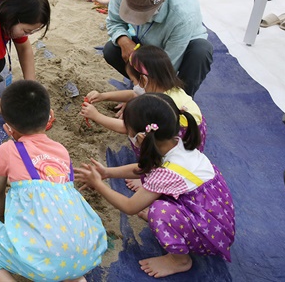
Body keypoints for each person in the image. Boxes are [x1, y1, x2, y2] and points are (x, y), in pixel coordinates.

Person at [0, 80, 107, 282]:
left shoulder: (8, 150)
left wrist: (0, 215)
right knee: (62, 252)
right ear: (50, 117)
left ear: (8, 129)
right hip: (87, 251)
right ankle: (75, 277)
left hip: (43, 261)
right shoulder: (61, 150)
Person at [75, 93, 235, 278]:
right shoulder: (176, 143)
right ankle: (181, 222)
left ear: (141, 138)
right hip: (211, 212)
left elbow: (130, 207)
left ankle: (180, 260)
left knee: (159, 211)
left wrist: (98, 184)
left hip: (210, 234)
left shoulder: (169, 171)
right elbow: (145, 168)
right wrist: (107, 173)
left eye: (129, 133)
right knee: (153, 200)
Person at [82, 45, 207, 190]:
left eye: (134, 81)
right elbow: (134, 94)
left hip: (178, 141)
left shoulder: (155, 106)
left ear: (144, 80)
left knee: (142, 137)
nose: (134, 85)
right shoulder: (164, 86)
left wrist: (96, 116)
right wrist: (103, 96)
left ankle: (149, 176)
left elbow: (125, 127)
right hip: (192, 132)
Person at [103, 0, 213, 97]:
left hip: (178, 50)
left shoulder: (183, 15)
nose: (136, 19)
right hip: (144, 41)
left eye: (141, 13)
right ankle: (139, 84)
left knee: (200, 51)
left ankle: (179, 101)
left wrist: (141, 101)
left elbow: (168, 66)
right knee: (111, 50)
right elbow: (114, 21)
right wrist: (124, 41)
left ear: (161, 1)